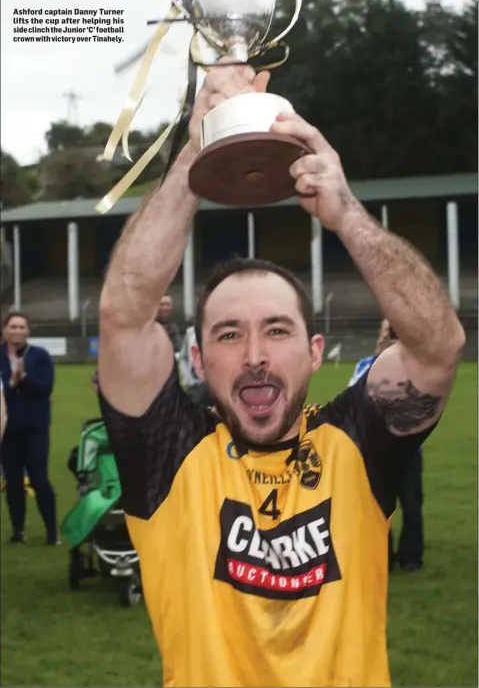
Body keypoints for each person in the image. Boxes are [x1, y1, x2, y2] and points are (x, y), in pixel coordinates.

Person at [97, 59, 465, 687]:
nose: (255, 355)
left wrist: (346, 211)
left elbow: (437, 347)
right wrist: (198, 149)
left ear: (316, 351)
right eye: (229, 334)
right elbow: (124, 316)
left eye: (277, 330)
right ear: (196, 358)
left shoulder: (358, 445)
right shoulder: (169, 456)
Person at [350, 320, 425, 572]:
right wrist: (377, 359)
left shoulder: (415, 367)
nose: (387, 336)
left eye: (393, 332)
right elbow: (352, 397)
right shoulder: (364, 365)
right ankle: (384, 557)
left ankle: (411, 557)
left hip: (409, 450)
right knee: (380, 507)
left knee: (412, 505)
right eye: (385, 331)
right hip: (377, 452)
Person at [0, 312, 58, 544]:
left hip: (35, 427)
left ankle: (52, 532)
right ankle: (18, 531)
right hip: (7, 429)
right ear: (4, 330)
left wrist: (24, 380)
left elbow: (46, 389)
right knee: (13, 481)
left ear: (28, 331)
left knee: (39, 478)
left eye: (21, 327)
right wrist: (12, 384)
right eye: (12, 326)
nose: (17, 331)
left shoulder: (40, 356)